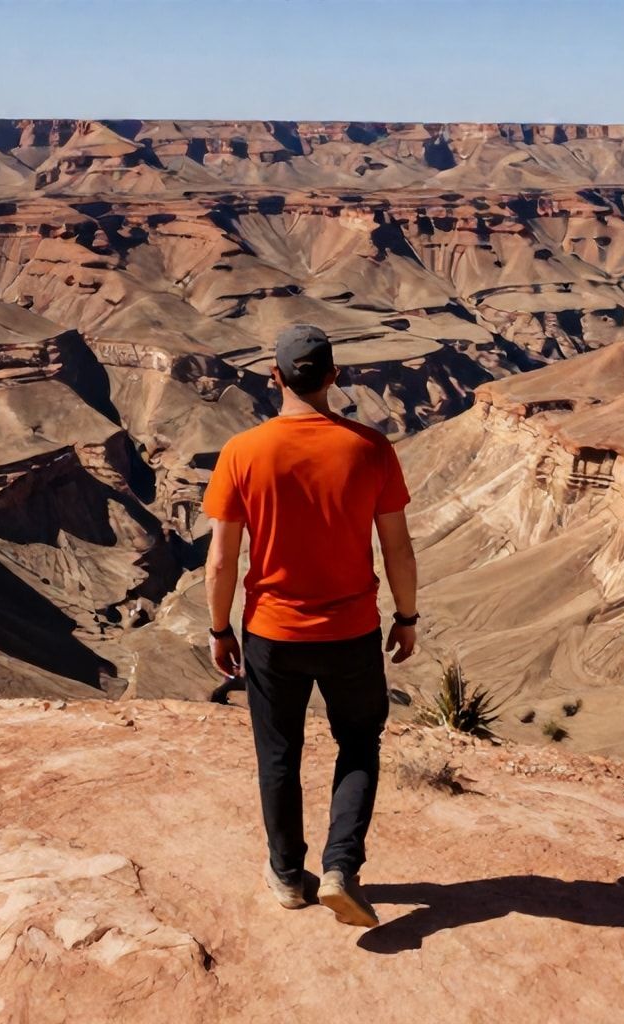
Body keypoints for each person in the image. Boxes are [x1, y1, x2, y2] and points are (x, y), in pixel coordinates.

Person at [201, 323, 419, 929]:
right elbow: (398, 549)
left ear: (274, 377)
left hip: (271, 635)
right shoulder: (371, 449)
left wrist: (220, 630)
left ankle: (287, 876)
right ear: (333, 377)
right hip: (351, 631)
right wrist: (405, 616)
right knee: (358, 743)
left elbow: (222, 559)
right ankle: (341, 867)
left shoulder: (242, 453)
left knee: (279, 755)